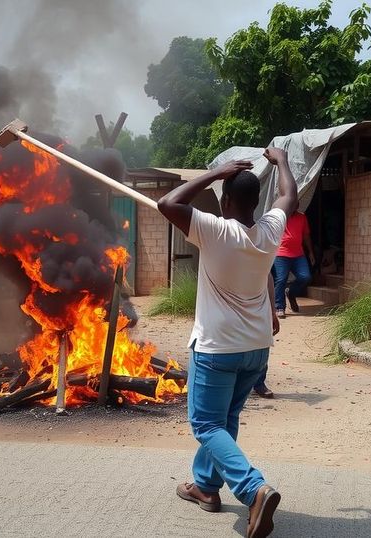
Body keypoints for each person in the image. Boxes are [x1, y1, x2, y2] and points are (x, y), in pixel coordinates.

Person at [157, 147, 297, 538]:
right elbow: (289, 196)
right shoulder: (270, 230)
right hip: (256, 350)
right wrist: (281, 161)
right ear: (255, 202)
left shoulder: (216, 230)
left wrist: (216, 173)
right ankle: (205, 485)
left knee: (204, 423)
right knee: (225, 421)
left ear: (228, 200)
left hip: (217, 349)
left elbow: (167, 202)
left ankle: (254, 490)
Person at [254, 209, 314, 398]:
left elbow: (268, 281)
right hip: (281, 254)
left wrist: (272, 311)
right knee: (281, 278)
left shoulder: (301, 217)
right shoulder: (272, 220)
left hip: (296, 255)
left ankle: (259, 383)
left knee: (303, 277)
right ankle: (242, 383)